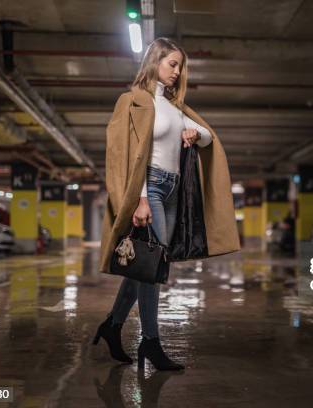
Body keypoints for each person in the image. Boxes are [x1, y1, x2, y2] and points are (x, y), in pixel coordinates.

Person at [95, 38, 240, 370]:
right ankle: (151, 342)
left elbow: (206, 136)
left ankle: (112, 325)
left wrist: (192, 135)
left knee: (149, 265)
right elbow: (126, 153)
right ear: (155, 61)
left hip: (174, 192)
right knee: (154, 267)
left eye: (180, 66)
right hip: (152, 190)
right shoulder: (132, 101)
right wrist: (141, 197)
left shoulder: (175, 108)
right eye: (172, 64)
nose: (178, 71)